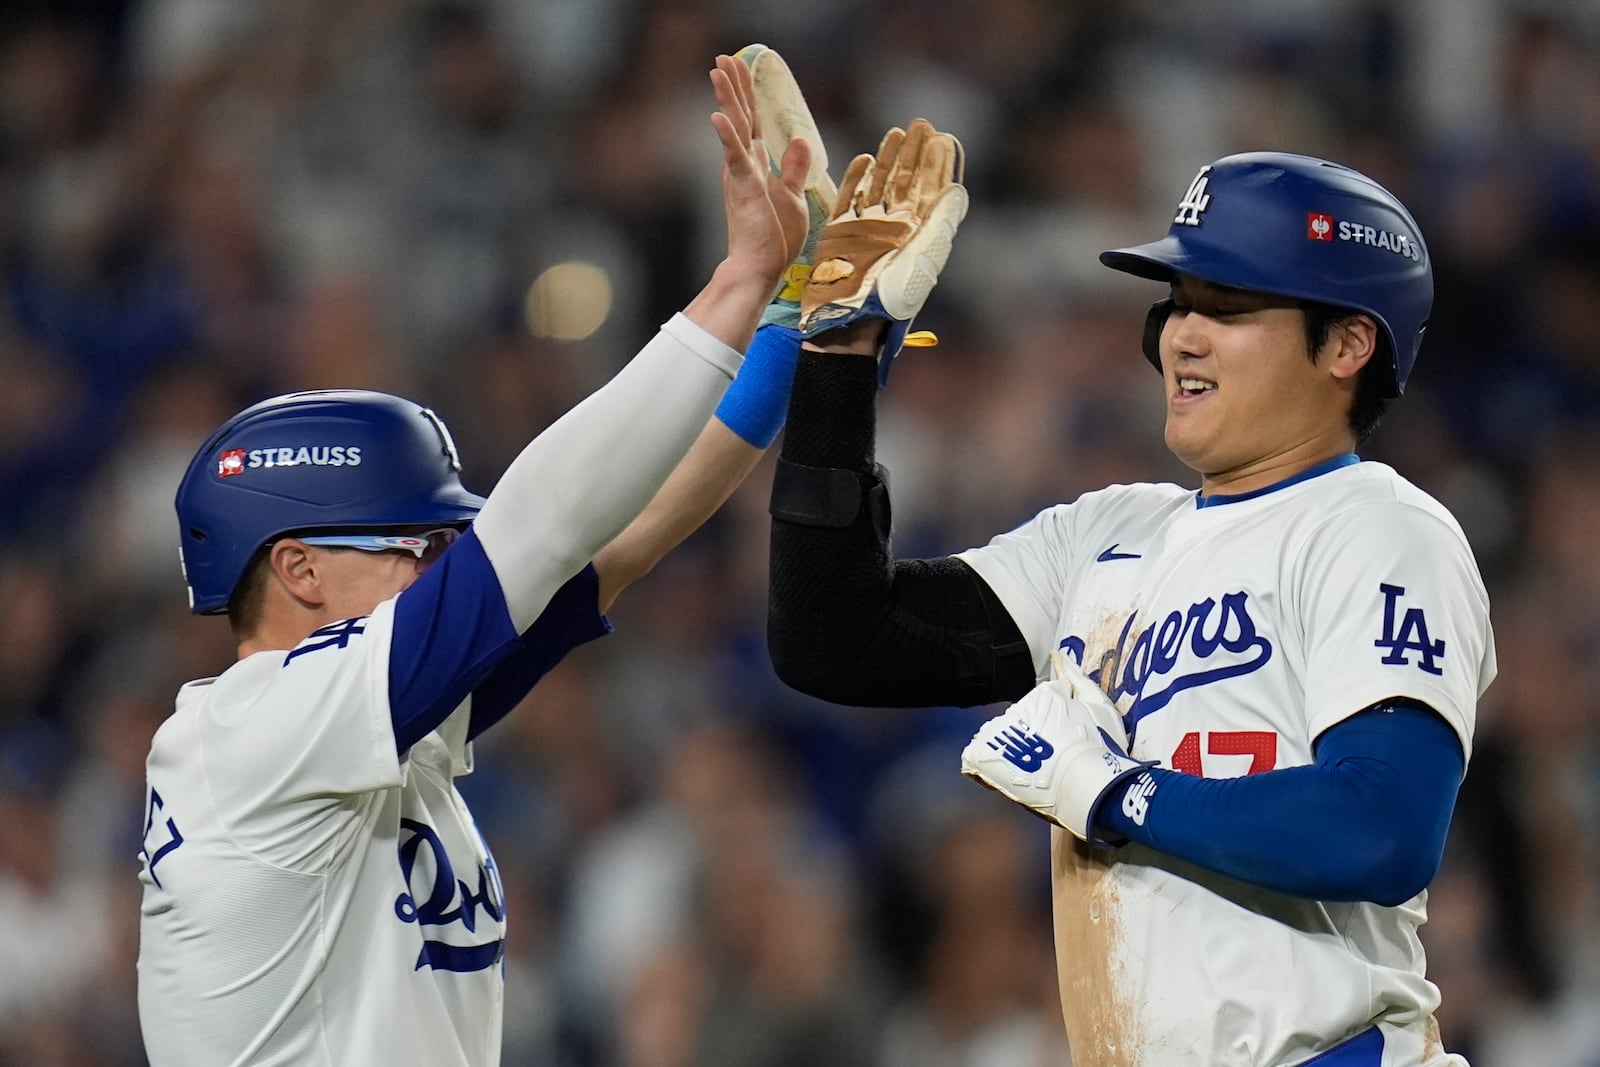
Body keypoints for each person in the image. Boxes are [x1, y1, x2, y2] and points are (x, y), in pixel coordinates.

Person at [134, 53, 825, 1067]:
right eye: (413, 542)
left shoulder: (373, 723)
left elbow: (617, 545)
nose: (439, 564)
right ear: (298, 569)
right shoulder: (249, 730)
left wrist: (796, 327)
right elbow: (541, 523)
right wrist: (736, 279)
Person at [766, 150, 1495, 1065]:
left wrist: (1117, 791)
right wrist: (836, 365)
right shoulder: (1106, 536)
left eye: (1227, 306)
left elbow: (1382, 828)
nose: (1181, 336)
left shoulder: (1379, 527)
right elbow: (835, 639)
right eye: (1178, 302)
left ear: (1348, 344)